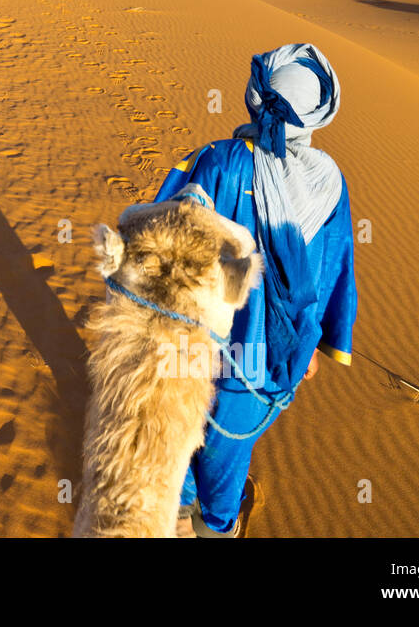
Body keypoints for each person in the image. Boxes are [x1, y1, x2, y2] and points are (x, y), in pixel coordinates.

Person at [154, 43, 358, 537]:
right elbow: (332, 270)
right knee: (227, 454)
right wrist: (315, 346)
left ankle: (178, 517)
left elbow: (166, 242)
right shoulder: (329, 182)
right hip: (263, 360)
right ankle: (215, 526)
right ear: (315, 113)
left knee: (181, 433)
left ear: (255, 96)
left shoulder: (217, 161)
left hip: (193, 346)